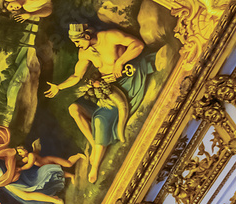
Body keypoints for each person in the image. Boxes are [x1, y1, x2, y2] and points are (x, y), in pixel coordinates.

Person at [45, 24, 155, 183]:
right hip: (105, 87)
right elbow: (77, 76)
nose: (77, 46)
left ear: (86, 36)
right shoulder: (84, 52)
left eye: (78, 42)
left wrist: (121, 61)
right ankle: (94, 142)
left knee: (99, 121)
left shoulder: (109, 36)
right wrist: (59, 87)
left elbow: (138, 45)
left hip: (124, 82)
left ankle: (95, 165)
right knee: (74, 108)